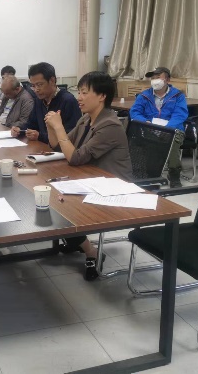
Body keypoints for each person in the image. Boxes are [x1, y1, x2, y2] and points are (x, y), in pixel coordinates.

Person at [45, 71, 133, 281]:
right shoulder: (86, 119)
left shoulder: (110, 125)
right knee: (50, 199)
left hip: (113, 189)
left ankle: (90, 251)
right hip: (91, 179)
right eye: (79, 92)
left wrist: (59, 127)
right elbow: (57, 145)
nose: (79, 97)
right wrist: (51, 125)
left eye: (85, 93)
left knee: (58, 207)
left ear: (102, 96)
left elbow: (74, 157)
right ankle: (78, 241)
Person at [129, 67, 188, 187]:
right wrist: (146, 122)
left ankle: (174, 173)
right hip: (149, 129)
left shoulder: (178, 95)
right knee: (140, 140)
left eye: (158, 77)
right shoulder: (144, 95)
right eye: (153, 78)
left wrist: (166, 129)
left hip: (172, 130)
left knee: (172, 142)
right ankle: (149, 173)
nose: (155, 80)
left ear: (167, 80)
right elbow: (135, 112)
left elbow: (180, 115)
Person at [11, 62, 80, 144]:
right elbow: (32, 124)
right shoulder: (39, 100)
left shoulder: (68, 101)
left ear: (52, 80)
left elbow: (71, 136)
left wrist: (40, 136)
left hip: (61, 150)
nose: (36, 90)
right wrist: (20, 129)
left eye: (39, 85)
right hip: (42, 148)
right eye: (33, 86)